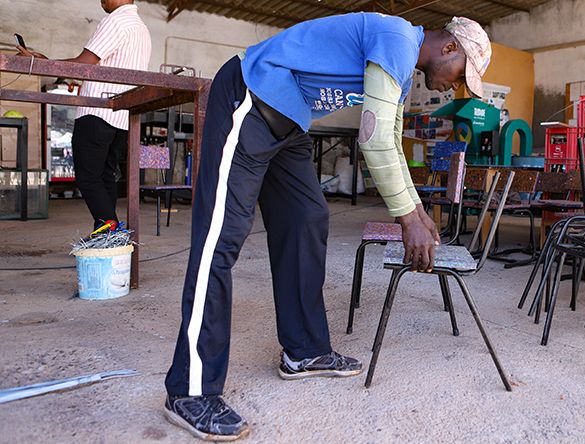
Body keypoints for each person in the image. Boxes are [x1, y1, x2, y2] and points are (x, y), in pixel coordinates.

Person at [162, 13, 491, 441]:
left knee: (307, 218)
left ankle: (304, 351)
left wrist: (414, 209)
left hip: (289, 119)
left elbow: (388, 137)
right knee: (219, 241)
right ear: (449, 48)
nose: (456, 87)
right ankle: (189, 391)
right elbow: (372, 140)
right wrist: (407, 218)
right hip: (251, 97)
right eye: (462, 75)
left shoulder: (402, 66)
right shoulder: (396, 38)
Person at [17, 0, 151, 230]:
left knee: (88, 177)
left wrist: (44, 65)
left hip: (97, 111)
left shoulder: (116, 21)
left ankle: (111, 230)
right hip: (120, 117)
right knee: (105, 176)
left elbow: (84, 65)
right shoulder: (141, 28)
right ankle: (105, 234)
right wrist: (48, 63)